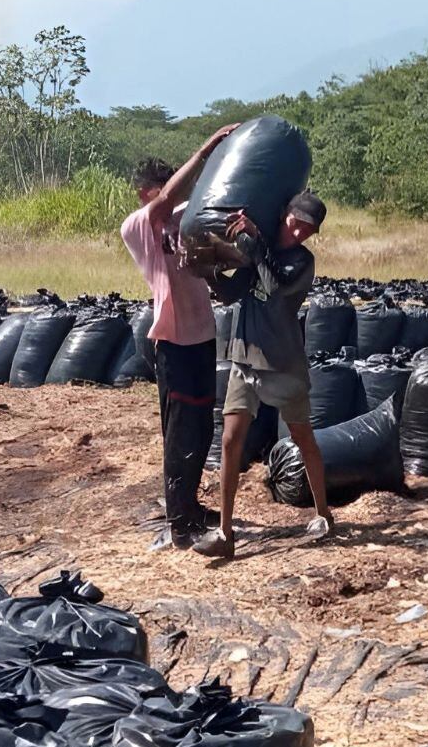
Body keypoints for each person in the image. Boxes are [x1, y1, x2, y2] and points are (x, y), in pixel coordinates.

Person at [194, 189, 332, 560]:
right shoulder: (258, 247)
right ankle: (224, 533)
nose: (300, 232)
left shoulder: (302, 262)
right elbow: (231, 293)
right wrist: (207, 271)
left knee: (304, 441)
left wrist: (254, 243)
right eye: (297, 223)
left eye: (309, 229)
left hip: (283, 364)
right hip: (244, 358)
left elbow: (274, 286)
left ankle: (323, 515)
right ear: (285, 213)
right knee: (230, 443)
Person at [119, 123, 237, 550]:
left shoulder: (187, 221)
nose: (167, 198)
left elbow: (220, 244)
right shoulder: (137, 226)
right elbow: (170, 198)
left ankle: (189, 504)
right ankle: (179, 522)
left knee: (202, 426)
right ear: (145, 194)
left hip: (202, 333)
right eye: (159, 190)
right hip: (173, 340)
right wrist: (206, 148)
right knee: (180, 431)